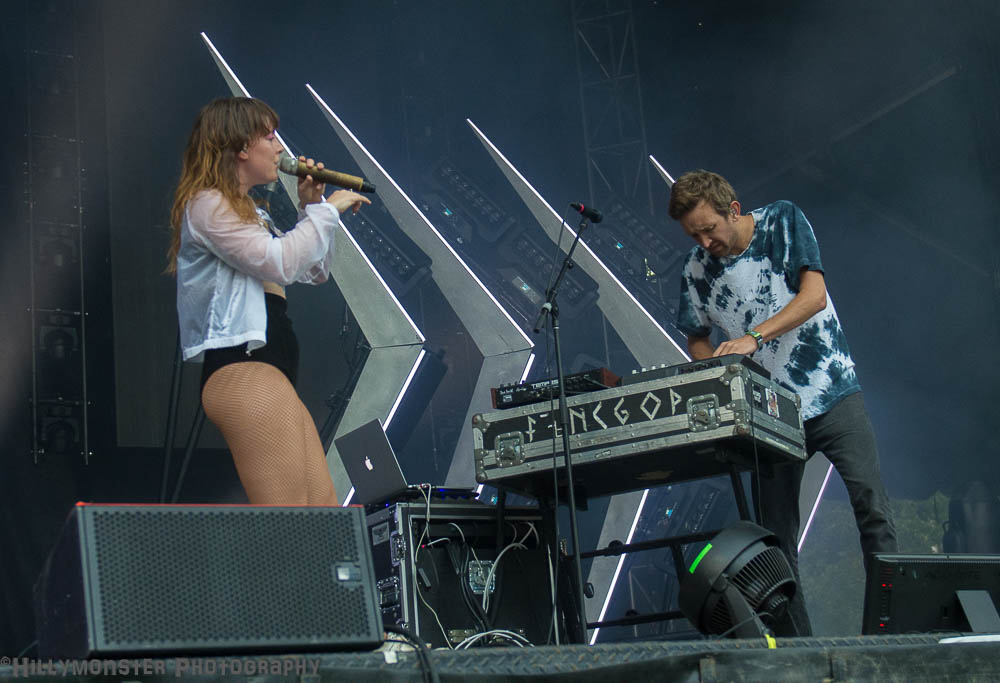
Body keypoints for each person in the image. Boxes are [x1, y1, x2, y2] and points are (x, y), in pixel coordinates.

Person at [668, 170, 897, 636]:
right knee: (775, 541)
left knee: (872, 507)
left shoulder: (782, 221)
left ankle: (893, 633)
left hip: (831, 389)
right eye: (694, 235)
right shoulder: (695, 268)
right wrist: (718, 369)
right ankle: (800, 651)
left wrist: (753, 338)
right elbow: (696, 338)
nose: (705, 242)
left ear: (733, 210)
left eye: (709, 229)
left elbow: (814, 296)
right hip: (770, 414)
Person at [166, 97, 370, 505]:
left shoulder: (251, 213)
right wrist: (328, 210)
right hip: (244, 367)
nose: (280, 147)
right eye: (270, 136)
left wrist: (311, 207)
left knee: (324, 514)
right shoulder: (208, 204)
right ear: (242, 146)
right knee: (290, 520)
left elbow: (312, 271)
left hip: (271, 369)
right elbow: (280, 261)